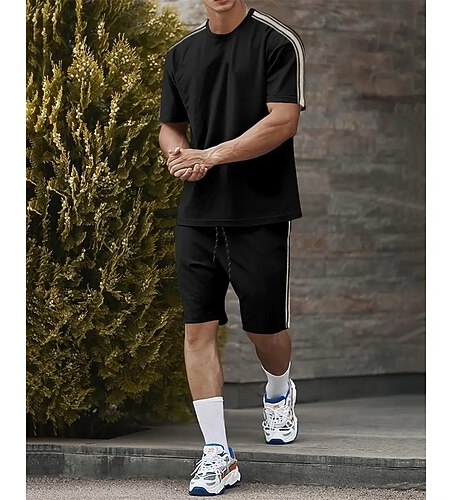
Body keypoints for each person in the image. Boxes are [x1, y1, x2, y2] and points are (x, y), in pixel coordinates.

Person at [158, 0, 305, 495]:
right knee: (196, 329)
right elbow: (171, 125)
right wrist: (178, 157)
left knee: (265, 329)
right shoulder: (181, 54)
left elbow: (283, 121)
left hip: (260, 211)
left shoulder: (277, 42)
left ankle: (279, 389)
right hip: (198, 214)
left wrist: (213, 155)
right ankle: (217, 454)